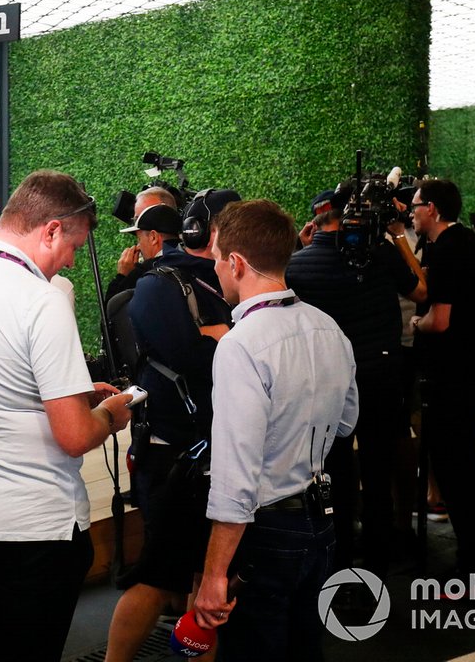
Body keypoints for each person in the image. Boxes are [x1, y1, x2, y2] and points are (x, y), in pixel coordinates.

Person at [0, 169, 135, 662]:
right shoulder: (41, 300)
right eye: (73, 246)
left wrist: (69, 392)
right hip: (34, 534)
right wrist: (110, 413)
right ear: (51, 229)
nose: (71, 261)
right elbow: (75, 435)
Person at [194, 200, 358, 662]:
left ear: (237, 263)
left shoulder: (240, 345)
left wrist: (213, 577)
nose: (216, 270)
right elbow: (347, 421)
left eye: (217, 258)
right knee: (306, 649)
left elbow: (235, 478)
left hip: (268, 532)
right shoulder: (328, 328)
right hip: (322, 524)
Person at [105, 195, 235, 662]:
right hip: (176, 455)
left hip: (209, 451)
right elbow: (198, 359)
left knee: (206, 583)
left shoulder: (209, 281)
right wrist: (226, 339)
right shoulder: (162, 285)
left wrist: (223, 338)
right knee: (159, 579)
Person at [286, 193, 425, 578]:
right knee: (379, 464)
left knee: (334, 470)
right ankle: (382, 552)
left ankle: (340, 555)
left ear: (316, 221)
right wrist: (396, 238)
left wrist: (303, 246)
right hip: (380, 376)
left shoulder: (298, 265)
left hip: (326, 384)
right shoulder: (378, 255)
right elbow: (419, 291)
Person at [408, 179, 475, 577]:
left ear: (433, 209)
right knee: (466, 471)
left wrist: (417, 322)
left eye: (415, 206)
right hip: (473, 371)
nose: (411, 212)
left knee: (455, 473)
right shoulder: (471, 244)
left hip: (447, 377)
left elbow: (439, 320)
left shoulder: (445, 252)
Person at [105, 186, 178, 302]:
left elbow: (111, 315)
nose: (138, 246)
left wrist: (123, 277)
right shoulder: (195, 256)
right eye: (136, 219)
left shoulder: (145, 275)